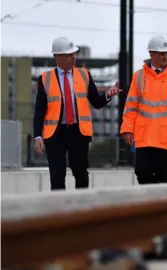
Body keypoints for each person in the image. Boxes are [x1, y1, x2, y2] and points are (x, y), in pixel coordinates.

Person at [33, 37, 121, 190]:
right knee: (57, 175)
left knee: (80, 174)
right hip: (55, 134)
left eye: (74, 54)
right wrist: (38, 137)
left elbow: (96, 102)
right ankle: (61, 211)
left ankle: (82, 208)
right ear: (58, 56)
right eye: (69, 55)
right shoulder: (45, 79)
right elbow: (40, 111)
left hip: (78, 133)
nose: (74, 57)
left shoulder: (84, 75)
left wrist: (108, 95)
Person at [120, 36, 167, 184]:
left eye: (166, 52)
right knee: (142, 174)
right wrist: (127, 130)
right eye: (161, 53)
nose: (165, 56)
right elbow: (131, 107)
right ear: (151, 54)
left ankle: (161, 207)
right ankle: (149, 206)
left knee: (165, 181)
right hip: (145, 139)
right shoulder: (139, 76)